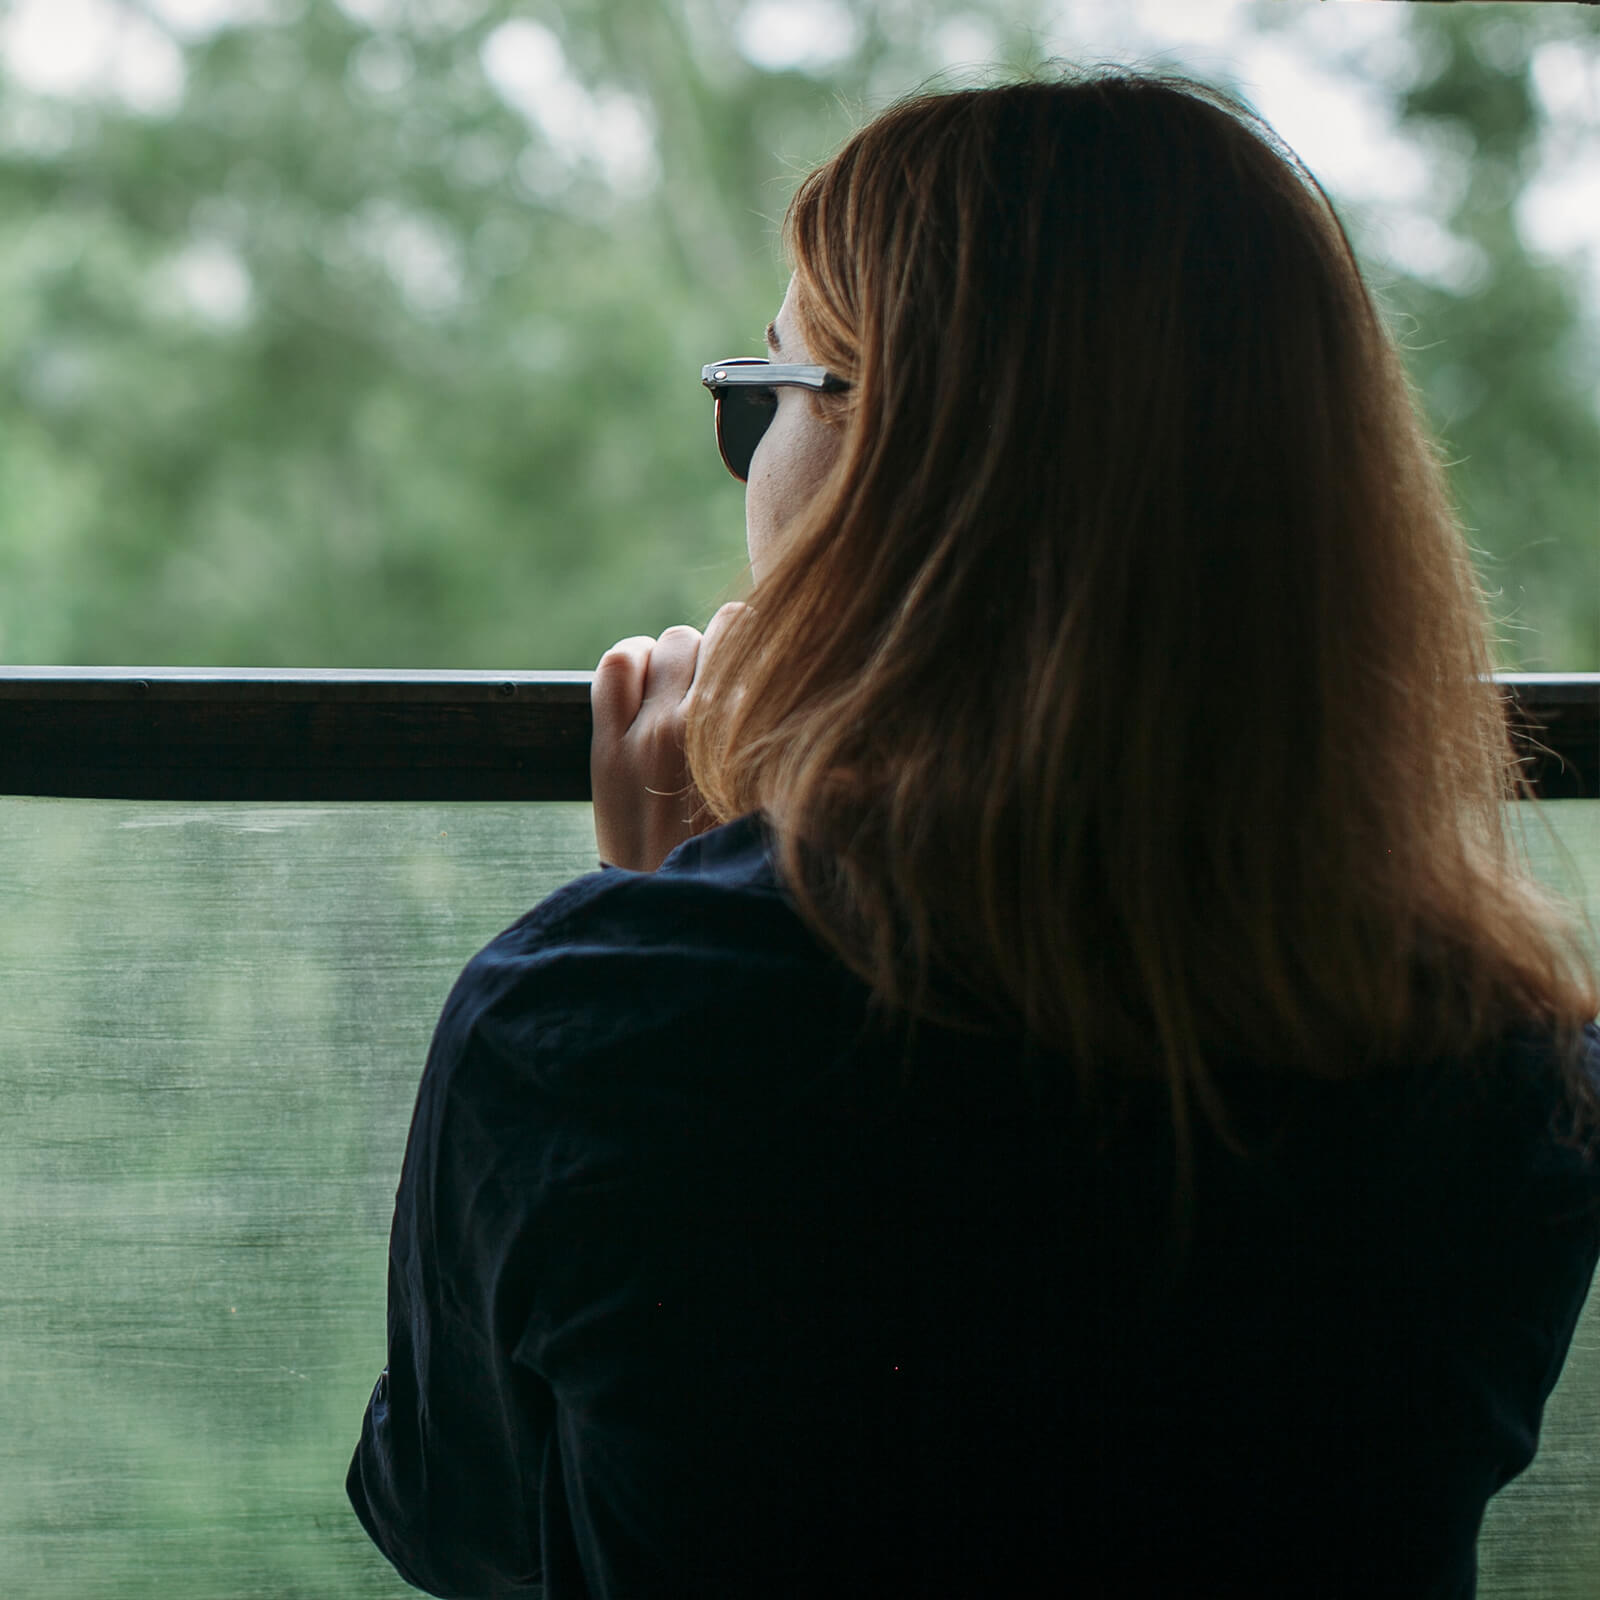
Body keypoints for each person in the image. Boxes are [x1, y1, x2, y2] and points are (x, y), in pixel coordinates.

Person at [347, 70, 1600, 1597]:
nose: (747, 465)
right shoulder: (1508, 1071)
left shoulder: (591, 1022)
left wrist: (669, 920)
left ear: (905, 462)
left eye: (766, 396)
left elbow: (467, 1529)